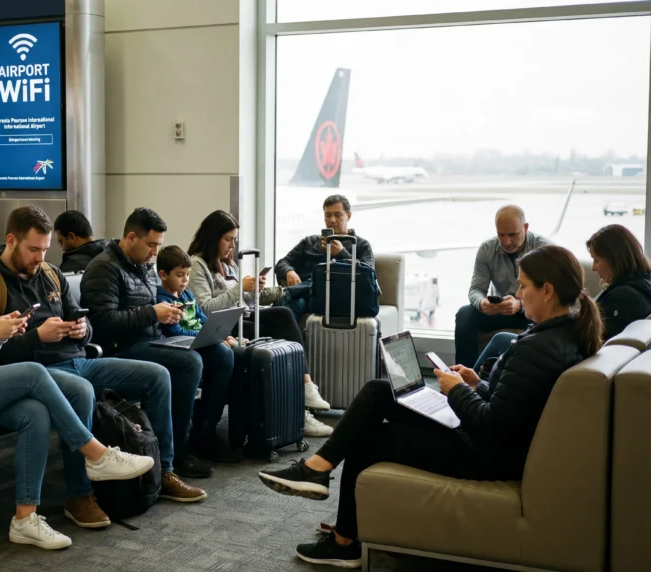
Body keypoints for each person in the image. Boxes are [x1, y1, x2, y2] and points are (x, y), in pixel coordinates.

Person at [257, 245, 600, 568]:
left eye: (524, 286)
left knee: (368, 438)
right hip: (489, 443)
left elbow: (493, 424)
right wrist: (476, 384)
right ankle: (320, 473)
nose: (519, 293)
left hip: (484, 452)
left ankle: (341, 535)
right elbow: (513, 404)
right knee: (380, 391)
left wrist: (455, 390)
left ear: (548, 291)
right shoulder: (563, 336)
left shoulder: (540, 347)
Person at [0, 212, 156, 550]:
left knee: (34, 413)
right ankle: (95, 454)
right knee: (33, 373)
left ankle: (25, 519)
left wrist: (3, 334)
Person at [0, 207, 207, 530]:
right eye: (33, 249)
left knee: (158, 376)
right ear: (12, 241)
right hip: (36, 370)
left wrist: (81, 329)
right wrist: (37, 337)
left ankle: (164, 470)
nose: (40, 257)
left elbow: (87, 324)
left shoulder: (51, 274)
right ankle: (80, 495)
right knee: (81, 392)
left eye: (45, 249)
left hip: (80, 360)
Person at [81, 208, 236, 478]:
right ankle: (178, 450)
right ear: (131, 237)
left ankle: (204, 435)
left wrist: (169, 314)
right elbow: (103, 322)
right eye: (151, 245)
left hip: (154, 339)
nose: (154, 252)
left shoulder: (144, 266)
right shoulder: (103, 268)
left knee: (221, 354)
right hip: (122, 348)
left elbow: (152, 309)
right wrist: (154, 313)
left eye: (158, 246)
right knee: (189, 362)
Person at [187, 210, 332, 437]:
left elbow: (243, 301)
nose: (232, 246)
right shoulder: (197, 265)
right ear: (213, 237)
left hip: (241, 317)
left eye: (234, 240)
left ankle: (304, 387)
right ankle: (299, 408)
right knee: (274, 332)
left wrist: (253, 291)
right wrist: (240, 289)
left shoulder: (228, 265)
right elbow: (205, 309)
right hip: (223, 325)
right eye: (228, 240)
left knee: (283, 314)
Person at [475, 224, 651, 369]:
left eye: (597, 260)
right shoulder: (639, 286)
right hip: (566, 349)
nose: (594, 268)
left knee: (500, 340)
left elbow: (594, 340)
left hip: (562, 352)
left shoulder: (625, 298)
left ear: (615, 259)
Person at [154, 245, 243, 461]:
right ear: (163, 275)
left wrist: (221, 334)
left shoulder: (187, 294)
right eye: (180, 275)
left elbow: (204, 319)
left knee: (231, 353)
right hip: (179, 346)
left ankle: (207, 430)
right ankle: (192, 438)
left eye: (187, 274)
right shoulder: (161, 300)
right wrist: (204, 335)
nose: (185, 280)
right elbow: (174, 332)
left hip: (199, 341)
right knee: (218, 355)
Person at [455, 205, 551, 367]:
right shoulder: (487, 249)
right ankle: (463, 372)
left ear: (526, 227)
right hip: (502, 310)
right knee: (465, 314)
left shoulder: (544, 250)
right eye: (501, 234)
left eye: (512, 235)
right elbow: (476, 289)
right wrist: (482, 303)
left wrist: (520, 305)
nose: (506, 242)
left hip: (534, 312)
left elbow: (552, 297)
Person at [275, 194, 375, 287]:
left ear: (348, 216)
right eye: (328, 215)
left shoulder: (361, 245)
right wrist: (289, 271)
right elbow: (282, 263)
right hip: (306, 294)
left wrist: (342, 253)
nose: (332, 220)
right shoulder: (310, 242)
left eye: (338, 215)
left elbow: (368, 275)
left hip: (341, 293)